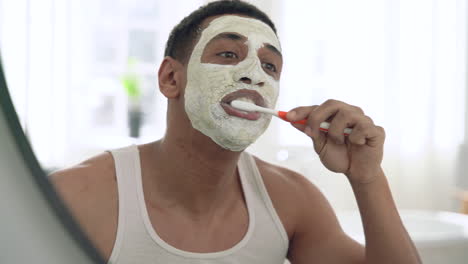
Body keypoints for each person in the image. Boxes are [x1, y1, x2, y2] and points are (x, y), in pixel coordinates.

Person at [50, 1, 422, 263]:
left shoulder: (291, 200)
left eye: (270, 66)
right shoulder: (77, 196)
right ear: (170, 78)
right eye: (229, 54)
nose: (253, 74)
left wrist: (367, 178)